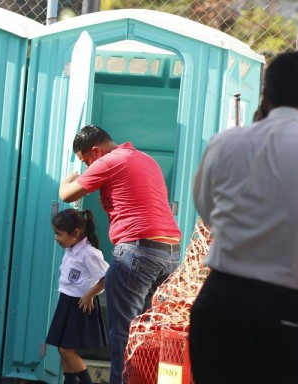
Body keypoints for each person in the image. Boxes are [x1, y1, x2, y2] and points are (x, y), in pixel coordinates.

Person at [190, 51, 298, 384]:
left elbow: (208, 212)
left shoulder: (225, 144)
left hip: (220, 305)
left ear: (265, 95)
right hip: (292, 313)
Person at [59, 126, 181, 384]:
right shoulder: (145, 159)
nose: (88, 167)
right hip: (169, 254)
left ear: (95, 151)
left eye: (86, 162)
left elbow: (67, 195)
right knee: (149, 335)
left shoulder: (111, 160)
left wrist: (68, 179)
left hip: (137, 253)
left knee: (124, 337)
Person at [46, 208, 109, 384]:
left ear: (75, 233)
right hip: (66, 301)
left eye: (59, 234)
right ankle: (70, 381)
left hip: (79, 304)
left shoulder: (89, 253)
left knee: (66, 350)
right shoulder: (71, 248)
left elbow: (106, 278)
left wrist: (89, 295)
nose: (56, 238)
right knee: (63, 348)